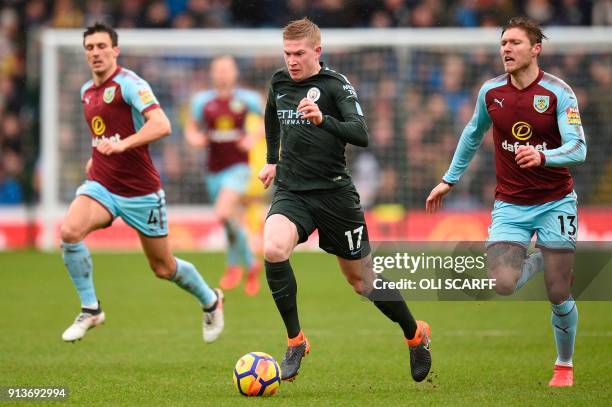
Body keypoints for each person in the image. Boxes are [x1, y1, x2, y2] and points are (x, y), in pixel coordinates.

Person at [258, 18, 431, 383]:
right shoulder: (279, 82)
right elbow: (271, 117)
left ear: (317, 52)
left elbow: (361, 134)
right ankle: (296, 341)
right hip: (292, 192)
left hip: (335, 194)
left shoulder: (335, 86)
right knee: (273, 248)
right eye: (287, 53)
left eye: (299, 54)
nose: (292, 60)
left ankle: (415, 334)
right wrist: (272, 161)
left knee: (362, 282)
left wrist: (324, 121)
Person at [426, 16, 586, 387]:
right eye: (503, 44)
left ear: (535, 49)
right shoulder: (491, 93)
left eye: (515, 43)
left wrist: (545, 156)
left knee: (559, 292)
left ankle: (564, 365)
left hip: (555, 201)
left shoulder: (560, 94)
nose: (506, 50)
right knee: (502, 283)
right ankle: (540, 260)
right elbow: (471, 133)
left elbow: (579, 147)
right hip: (511, 204)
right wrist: (449, 179)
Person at [60, 23, 224, 343]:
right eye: (90, 47)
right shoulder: (86, 92)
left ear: (115, 50)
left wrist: (123, 145)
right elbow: (103, 133)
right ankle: (91, 309)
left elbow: (162, 125)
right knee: (69, 232)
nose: (95, 52)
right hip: (102, 185)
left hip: (140, 192)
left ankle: (211, 300)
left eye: (101, 46)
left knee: (163, 267)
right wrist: (98, 156)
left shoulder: (130, 84)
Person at [185, 55, 263, 296]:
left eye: (226, 69)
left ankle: (250, 263)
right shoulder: (202, 101)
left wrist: (253, 137)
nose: (222, 74)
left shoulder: (247, 99)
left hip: (238, 168)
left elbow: (267, 118)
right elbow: (191, 126)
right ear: (212, 73)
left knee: (222, 212)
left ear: (235, 73)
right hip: (213, 169)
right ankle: (236, 267)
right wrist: (194, 138)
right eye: (218, 70)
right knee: (230, 220)